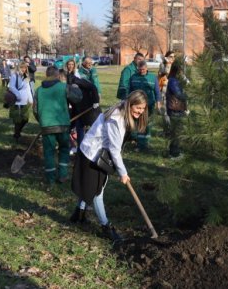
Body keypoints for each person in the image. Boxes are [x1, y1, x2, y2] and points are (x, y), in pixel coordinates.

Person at [71, 90, 149, 241]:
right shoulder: (116, 120)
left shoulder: (122, 107)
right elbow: (114, 149)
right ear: (130, 104)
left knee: (92, 187)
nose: (141, 111)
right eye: (138, 107)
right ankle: (106, 227)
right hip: (91, 154)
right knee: (96, 192)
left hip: (97, 153)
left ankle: (78, 215)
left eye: (143, 108)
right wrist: (123, 173)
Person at [33, 66, 79, 186]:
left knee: (49, 152)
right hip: (62, 124)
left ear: (46, 75)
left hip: (47, 126)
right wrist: (74, 86)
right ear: (58, 75)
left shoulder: (38, 91)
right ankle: (63, 175)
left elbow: (35, 110)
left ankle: (51, 179)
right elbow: (78, 98)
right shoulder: (64, 87)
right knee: (64, 149)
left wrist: (42, 121)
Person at [128, 60, 161, 151]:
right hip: (137, 106)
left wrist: (158, 103)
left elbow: (157, 92)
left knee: (147, 124)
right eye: (139, 69)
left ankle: (145, 143)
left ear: (146, 68)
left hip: (149, 105)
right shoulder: (133, 77)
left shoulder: (152, 78)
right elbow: (130, 91)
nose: (141, 71)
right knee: (138, 124)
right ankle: (139, 144)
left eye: (143, 69)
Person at [165, 60, 187, 159]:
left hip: (178, 109)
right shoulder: (173, 81)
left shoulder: (175, 80)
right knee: (176, 132)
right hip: (175, 109)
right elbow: (178, 94)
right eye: (181, 70)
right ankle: (174, 153)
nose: (183, 72)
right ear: (177, 70)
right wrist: (188, 95)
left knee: (178, 131)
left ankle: (175, 151)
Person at [8, 62, 33, 142]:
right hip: (16, 102)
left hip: (25, 102)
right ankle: (16, 137)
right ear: (19, 67)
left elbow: (28, 89)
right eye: (22, 67)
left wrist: (31, 100)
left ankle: (17, 133)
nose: (24, 69)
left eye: (25, 68)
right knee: (17, 121)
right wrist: (18, 95)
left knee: (25, 119)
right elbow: (11, 87)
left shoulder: (26, 77)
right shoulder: (14, 76)